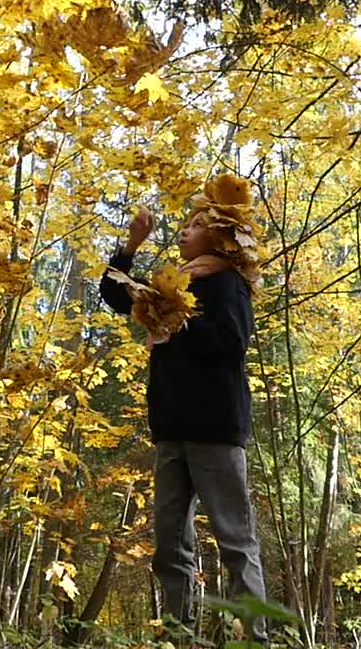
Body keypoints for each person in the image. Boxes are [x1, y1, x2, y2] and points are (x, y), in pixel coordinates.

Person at [99, 175, 267, 643]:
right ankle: (178, 635)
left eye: (195, 225)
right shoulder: (175, 283)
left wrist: (176, 329)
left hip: (215, 427)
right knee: (170, 545)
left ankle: (256, 637)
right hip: (170, 428)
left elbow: (233, 341)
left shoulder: (229, 285)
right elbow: (116, 295)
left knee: (235, 540)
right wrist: (132, 245)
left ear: (217, 235)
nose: (185, 231)